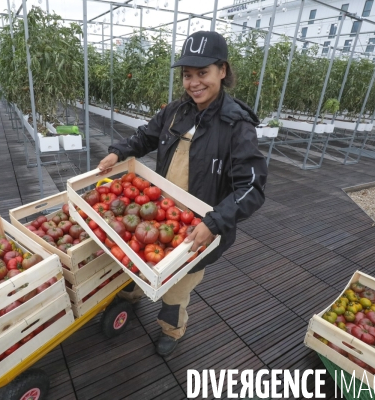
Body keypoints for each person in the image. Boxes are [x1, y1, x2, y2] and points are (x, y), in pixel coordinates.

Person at [97, 31, 268, 357]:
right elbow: (145, 136)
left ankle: (172, 330)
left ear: (222, 70)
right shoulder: (177, 111)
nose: (194, 83)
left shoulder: (237, 125)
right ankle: (132, 295)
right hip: (160, 213)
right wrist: (117, 153)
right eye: (188, 75)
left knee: (176, 287)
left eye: (202, 73)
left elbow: (252, 188)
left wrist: (215, 222)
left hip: (199, 228)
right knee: (141, 262)